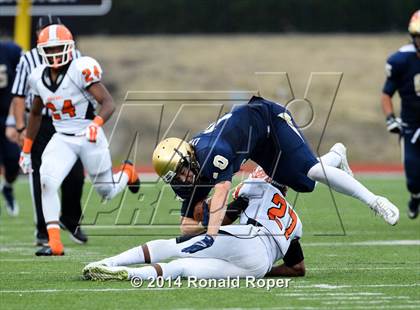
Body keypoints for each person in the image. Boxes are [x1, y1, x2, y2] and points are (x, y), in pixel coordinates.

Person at [152, 95, 400, 254]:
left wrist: (212, 235)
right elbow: (186, 227)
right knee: (305, 184)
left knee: (312, 170)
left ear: (190, 158)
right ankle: (336, 155)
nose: (183, 179)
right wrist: (201, 226)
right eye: (175, 177)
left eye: (183, 171)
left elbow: (221, 193)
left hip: (269, 121)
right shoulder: (192, 170)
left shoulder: (210, 154)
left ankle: (375, 201)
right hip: (256, 145)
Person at [19, 24, 140, 256]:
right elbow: (35, 113)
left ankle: (128, 172)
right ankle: (54, 243)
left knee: (107, 191)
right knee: (47, 181)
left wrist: (96, 125)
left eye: (59, 49)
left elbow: (108, 103)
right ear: (41, 51)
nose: (55, 54)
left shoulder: (81, 69)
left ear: (70, 48)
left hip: (88, 134)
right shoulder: (37, 77)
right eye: (50, 50)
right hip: (62, 137)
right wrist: (26, 150)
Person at [82, 169, 305, 280]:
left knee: (174, 247)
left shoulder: (256, 189)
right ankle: (129, 275)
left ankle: (107, 263)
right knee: (182, 268)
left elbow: (222, 222)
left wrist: (201, 224)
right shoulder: (294, 220)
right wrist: (265, 270)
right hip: (259, 266)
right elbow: (297, 268)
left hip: (250, 239)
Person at [7, 16, 86, 246]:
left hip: (70, 121)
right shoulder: (28, 60)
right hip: (39, 122)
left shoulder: (78, 58)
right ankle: (43, 229)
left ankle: (70, 219)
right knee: (41, 176)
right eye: (45, 32)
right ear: (38, 35)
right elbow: (20, 96)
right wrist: (20, 127)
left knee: (76, 175)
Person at [381, 10, 420, 219]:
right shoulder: (401, 60)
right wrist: (390, 118)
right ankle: (415, 196)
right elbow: (386, 94)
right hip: (411, 126)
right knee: (413, 177)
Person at [0, 40, 22, 216]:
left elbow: (23, 80)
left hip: (8, 116)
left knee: (14, 161)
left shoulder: (10, 51)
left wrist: (14, 120)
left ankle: (7, 187)